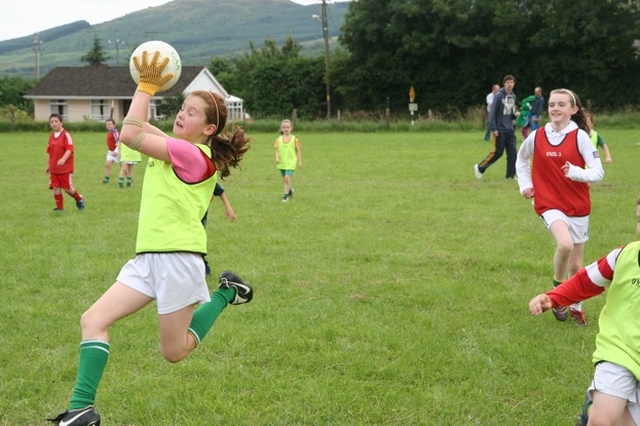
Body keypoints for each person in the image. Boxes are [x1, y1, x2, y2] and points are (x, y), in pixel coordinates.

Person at [48, 51, 252, 426]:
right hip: (147, 260)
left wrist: (146, 85)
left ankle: (226, 291)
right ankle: (81, 409)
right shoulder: (177, 146)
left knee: (174, 353)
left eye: (192, 113)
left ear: (208, 129)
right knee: (93, 319)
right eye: (183, 107)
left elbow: (129, 132)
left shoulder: (194, 155)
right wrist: (146, 93)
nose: (182, 113)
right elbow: (139, 128)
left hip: (177, 260)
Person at [529, 198, 640, 426]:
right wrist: (553, 297)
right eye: (639, 220)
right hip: (620, 349)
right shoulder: (625, 255)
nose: (639, 229)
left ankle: (590, 409)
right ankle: (595, 412)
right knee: (602, 421)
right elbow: (585, 281)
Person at [517, 88, 604, 325]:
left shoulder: (580, 137)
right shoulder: (537, 135)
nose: (555, 108)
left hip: (577, 205)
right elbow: (521, 159)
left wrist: (575, 172)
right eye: (552, 104)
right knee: (564, 244)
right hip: (548, 203)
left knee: (576, 264)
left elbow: (598, 172)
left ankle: (576, 304)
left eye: (561, 105)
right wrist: (525, 185)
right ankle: (558, 296)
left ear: (573, 110)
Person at [474, 74, 519, 180]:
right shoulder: (499, 95)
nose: (509, 84)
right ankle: (480, 167)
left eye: (511, 82)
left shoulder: (513, 96)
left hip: (510, 129)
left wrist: (515, 114)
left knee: (513, 152)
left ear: (514, 84)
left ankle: (510, 176)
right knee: (498, 153)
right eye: (507, 82)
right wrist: (494, 128)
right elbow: (492, 113)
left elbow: (510, 113)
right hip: (500, 129)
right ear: (504, 84)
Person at [46, 113, 85, 211]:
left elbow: (69, 149)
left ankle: (79, 198)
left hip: (65, 168)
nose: (54, 124)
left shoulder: (66, 135)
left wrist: (63, 159)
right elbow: (49, 152)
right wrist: (48, 165)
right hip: (54, 168)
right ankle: (60, 208)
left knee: (67, 188)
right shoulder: (51, 136)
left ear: (61, 123)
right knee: (55, 187)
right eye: (51, 122)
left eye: (56, 121)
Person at [201, 182, 236, 276]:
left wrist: (228, 207)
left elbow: (219, 190)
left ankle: (204, 267)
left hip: (200, 214)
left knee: (198, 240)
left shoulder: (201, 174)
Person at [274, 119, 302, 202]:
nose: (286, 129)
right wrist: (277, 158)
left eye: (287, 127)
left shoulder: (294, 139)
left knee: (287, 178)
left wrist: (300, 161)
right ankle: (289, 190)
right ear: (281, 129)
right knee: (285, 179)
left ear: (291, 128)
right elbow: (277, 150)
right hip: (282, 163)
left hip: (291, 162)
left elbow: (298, 150)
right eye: (284, 127)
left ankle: (285, 196)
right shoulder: (278, 139)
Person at [102, 118, 120, 184]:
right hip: (110, 152)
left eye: (110, 124)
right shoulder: (109, 132)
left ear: (114, 125)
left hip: (117, 152)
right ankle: (106, 180)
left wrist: (116, 151)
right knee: (107, 165)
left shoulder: (115, 133)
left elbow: (119, 142)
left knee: (123, 167)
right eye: (107, 124)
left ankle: (129, 178)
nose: (108, 126)